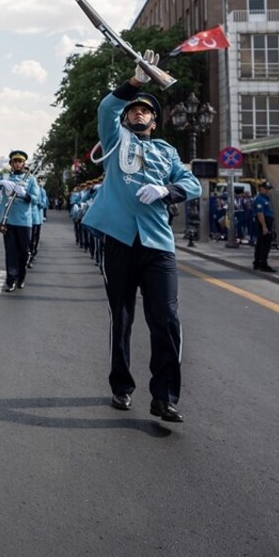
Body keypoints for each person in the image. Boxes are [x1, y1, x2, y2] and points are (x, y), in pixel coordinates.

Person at [82, 50, 201, 423]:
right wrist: (136, 81)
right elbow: (106, 107)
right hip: (119, 239)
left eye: (146, 110)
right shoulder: (115, 140)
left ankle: (164, 396)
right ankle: (121, 386)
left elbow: (191, 183)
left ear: (154, 120)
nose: (138, 112)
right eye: (133, 109)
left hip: (157, 244)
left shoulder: (167, 151)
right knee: (122, 318)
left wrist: (168, 192)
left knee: (165, 319)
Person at [0, 151, 37, 291]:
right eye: (14, 161)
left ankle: (21, 277)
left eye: (20, 161)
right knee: (10, 251)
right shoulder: (5, 177)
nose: (17, 164)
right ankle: (11, 280)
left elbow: (36, 199)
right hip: (8, 220)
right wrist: (1, 181)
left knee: (24, 251)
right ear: (11, 163)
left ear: (24, 164)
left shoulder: (30, 179)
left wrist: (25, 194)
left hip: (24, 221)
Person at [252, 181, 277, 272]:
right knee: (265, 243)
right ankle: (263, 263)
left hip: (267, 221)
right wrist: (264, 226)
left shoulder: (267, 199)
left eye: (269, 189)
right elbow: (260, 213)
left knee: (261, 242)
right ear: (261, 188)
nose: (268, 191)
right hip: (264, 222)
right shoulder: (259, 199)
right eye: (266, 189)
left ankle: (258, 262)